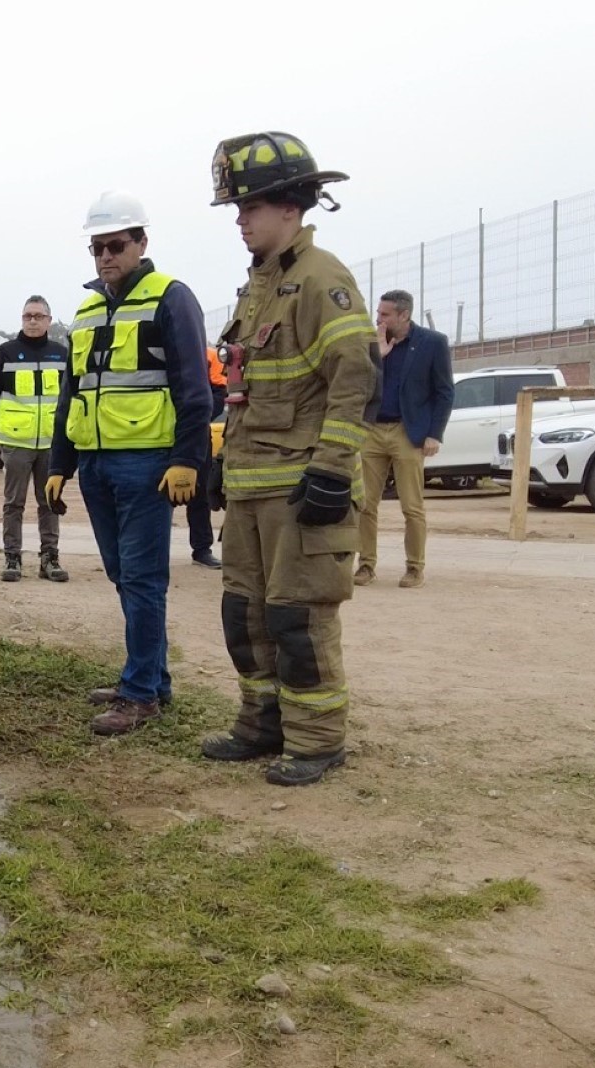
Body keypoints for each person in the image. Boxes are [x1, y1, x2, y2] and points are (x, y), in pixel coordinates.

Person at [200, 131, 379, 787]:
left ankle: (317, 740)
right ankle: (261, 723)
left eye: (248, 207)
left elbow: (355, 376)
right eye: (236, 208)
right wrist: (226, 458)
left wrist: (334, 469)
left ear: (288, 205)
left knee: (298, 621)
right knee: (245, 617)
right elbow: (247, 384)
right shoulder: (259, 288)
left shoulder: (319, 279)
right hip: (252, 488)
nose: (240, 220)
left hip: (302, 490)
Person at [42, 191, 211, 736]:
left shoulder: (171, 298)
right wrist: (59, 464)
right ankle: (151, 679)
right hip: (95, 463)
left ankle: (140, 693)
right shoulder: (88, 309)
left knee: (141, 579)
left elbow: (194, 387)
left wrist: (187, 458)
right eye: (97, 248)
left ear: (142, 242)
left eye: (115, 245)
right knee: (123, 575)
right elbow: (73, 392)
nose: (105, 257)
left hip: (146, 463)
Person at [357, 290, 452, 589]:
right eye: (378, 312)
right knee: (364, 505)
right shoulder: (372, 342)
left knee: (412, 506)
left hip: (407, 433)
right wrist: (377, 356)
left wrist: (434, 434)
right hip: (373, 431)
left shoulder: (433, 343)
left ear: (404, 315)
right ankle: (365, 566)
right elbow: (358, 381)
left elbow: (444, 391)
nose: (378, 318)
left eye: (385, 314)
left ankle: (414, 568)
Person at [0, 295, 69, 583]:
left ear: (48, 320)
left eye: (38, 316)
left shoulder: (61, 354)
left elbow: (70, 397)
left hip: (51, 445)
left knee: (49, 503)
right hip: (17, 443)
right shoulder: (5, 353)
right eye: (27, 316)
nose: (32, 321)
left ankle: (49, 559)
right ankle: (12, 558)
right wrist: (13, 426)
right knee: (13, 503)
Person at [184, 346, 228, 569]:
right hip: (159, 430)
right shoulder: (158, 346)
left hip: (198, 432)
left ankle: (201, 549)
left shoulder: (210, 355)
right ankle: (151, 550)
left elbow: (219, 393)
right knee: (155, 493)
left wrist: (196, 418)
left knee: (199, 491)